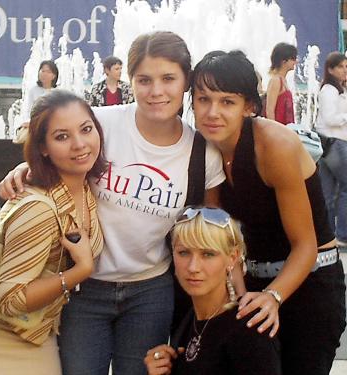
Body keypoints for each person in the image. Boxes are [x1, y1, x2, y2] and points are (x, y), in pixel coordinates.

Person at [0, 31, 225, 375]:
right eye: (144, 80)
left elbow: (211, 230)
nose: (156, 91)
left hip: (150, 291)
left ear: (186, 82)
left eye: (168, 79)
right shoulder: (101, 124)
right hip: (82, 288)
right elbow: (59, 147)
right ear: (130, 80)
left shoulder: (201, 153)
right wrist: (25, 166)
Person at [191, 50, 346, 375]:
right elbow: (222, 238)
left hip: (310, 283)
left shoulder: (274, 145)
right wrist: (240, 295)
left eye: (227, 102)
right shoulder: (206, 149)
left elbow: (306, 245)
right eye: (203, 99)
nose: (212, 112)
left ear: (249, 106)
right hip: (252, 281)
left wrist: (274, 296)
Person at [0, 90, 106, 375]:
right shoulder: (38, 210)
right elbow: (11, 300)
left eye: (86, 129)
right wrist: (80, 270)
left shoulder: (82, 184)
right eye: (62, 137)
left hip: (31, 325)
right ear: (43, 147)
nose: (80, 144)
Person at [145, 207, 282, 375]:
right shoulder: (190, 320)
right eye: (184, 253)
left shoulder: (248, 328)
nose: (193, 267)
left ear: (232, 257)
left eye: (208, 254)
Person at [316, 51, 347, 250]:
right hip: (335, 143)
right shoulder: (329, 90)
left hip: (329, 144)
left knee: (327, 193)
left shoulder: (336, 89)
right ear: (331, 69)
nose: (345, 70)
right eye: (342, 66)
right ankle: (342, 234)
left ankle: (326, 235)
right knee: (345, 188)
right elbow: (330, 119)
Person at [14, 60, 59, 143]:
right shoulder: (33, 90)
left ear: (54, 76)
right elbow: (29, 111)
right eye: (42, 71)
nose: (44, 74)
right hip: (36, 125)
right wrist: (30, 123)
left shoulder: (58, 92)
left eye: (48, 71)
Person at [264, 42, 297, 124]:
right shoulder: (276, 81)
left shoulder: (283, 80)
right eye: (293, 59)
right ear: (283, 61)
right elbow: (270, 110)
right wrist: (274, 131)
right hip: (278, 130)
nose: (296, 62)